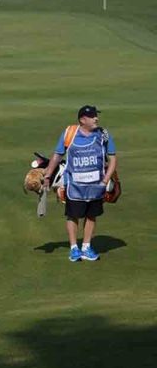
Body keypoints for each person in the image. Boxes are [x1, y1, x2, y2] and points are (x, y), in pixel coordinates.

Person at [43, 106, 117, 262]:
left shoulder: (103, 135)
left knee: (91, 216)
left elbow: (112, 159)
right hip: (75, 185)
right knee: (73, 215)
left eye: (96, 116)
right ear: (82, 120)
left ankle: (86, 246)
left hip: (96, 185)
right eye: (92, 116)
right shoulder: (70, 133)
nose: (96, 118)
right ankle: (74, 248)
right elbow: (57, 155)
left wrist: (105, 180)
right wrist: (48, 175)